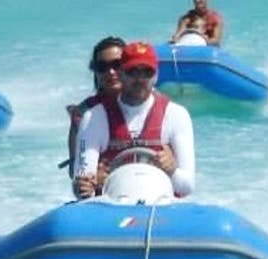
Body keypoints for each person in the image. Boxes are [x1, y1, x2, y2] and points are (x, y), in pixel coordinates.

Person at [73, 41, 195, 200]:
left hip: (161, 207)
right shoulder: (93, 118)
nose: (139, 79)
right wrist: (90, 184)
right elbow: (81, 187)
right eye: (132, 72)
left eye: (147, 72)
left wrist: (172, 170)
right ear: (121, 74)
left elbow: (187, 187)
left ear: (156, 76)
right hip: (112, 208)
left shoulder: (177, 115)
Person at [64, 36, 125, 180]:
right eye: (102, 67)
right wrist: (92, 176)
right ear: (95, 72)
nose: (110, 72)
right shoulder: (82, 114)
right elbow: (75, 172)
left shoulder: (154, 106)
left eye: (117, 64)